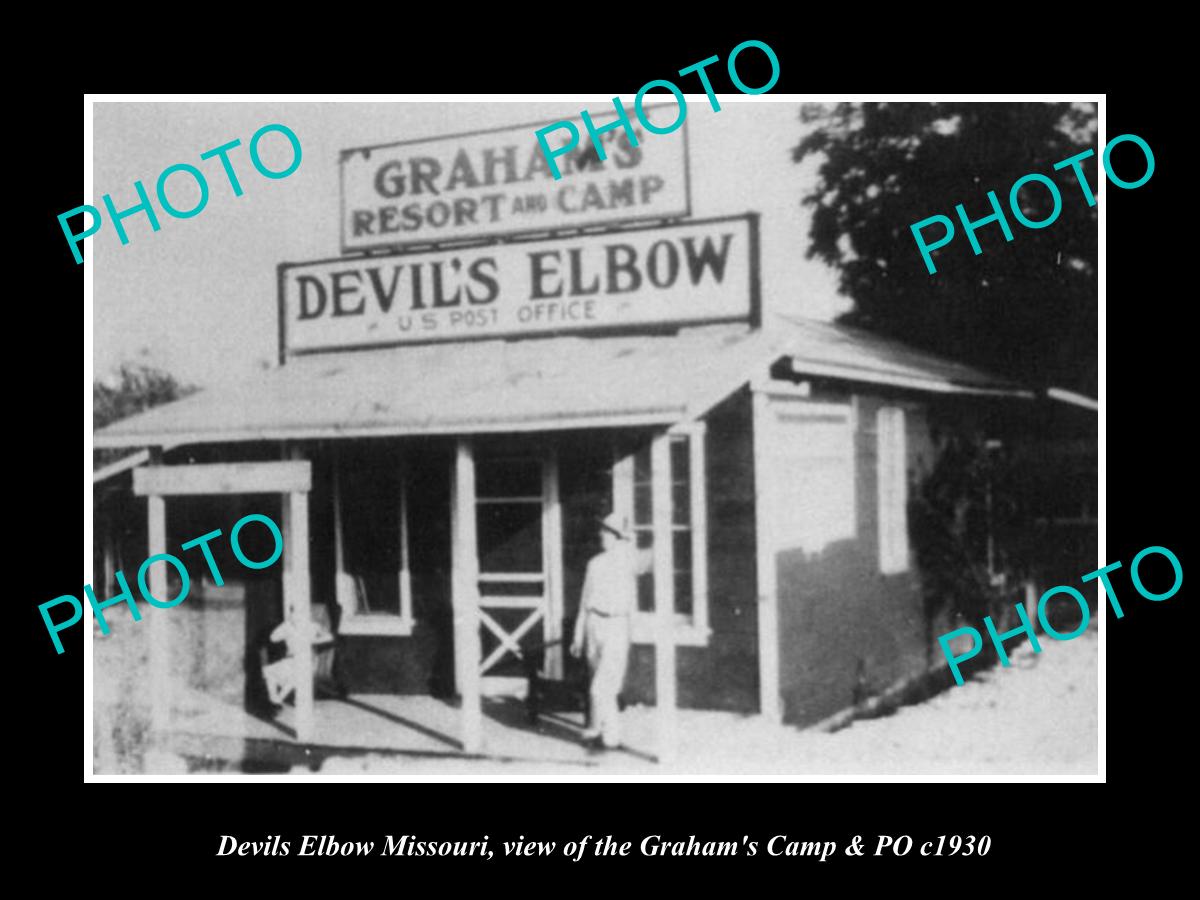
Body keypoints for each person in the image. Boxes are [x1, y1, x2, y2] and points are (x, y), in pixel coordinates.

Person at [570, 512, 636, 751]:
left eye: (606, 532)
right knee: (597, 680)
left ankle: (611, 736)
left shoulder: (627, 562)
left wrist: (626, 539)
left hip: (617, 625)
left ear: (618, 538)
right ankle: (599, 729)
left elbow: (643, 559)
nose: (601, 535)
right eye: (602, 531)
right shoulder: (594, 564)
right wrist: (578, 635)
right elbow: (584, 602)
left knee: (602, 687)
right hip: (594, 623)